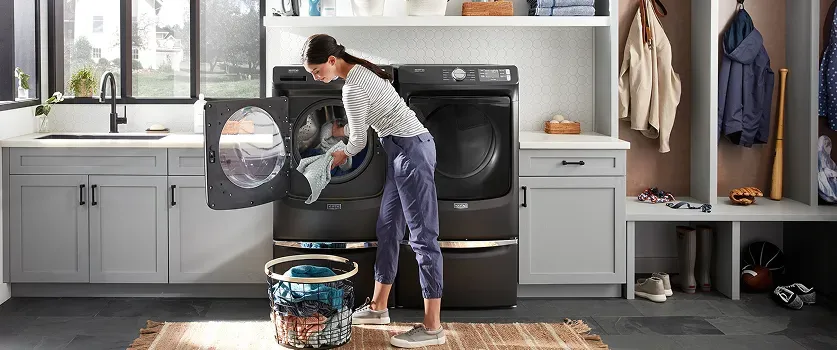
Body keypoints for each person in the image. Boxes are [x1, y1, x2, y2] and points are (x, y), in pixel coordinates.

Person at [301, 34, 445, 348]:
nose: (315, 77)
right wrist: (343, 133)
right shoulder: (359, 73)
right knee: (388, 227)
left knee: (423, 237)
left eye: (316, 71)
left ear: (331, 61)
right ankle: (379, 308)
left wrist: (338, 154)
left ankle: (433, 327)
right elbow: (364, 123)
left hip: (412, 152)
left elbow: (358, 143)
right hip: (400, 150)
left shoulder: (352, 86)